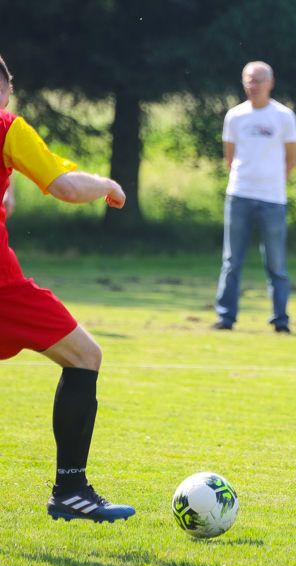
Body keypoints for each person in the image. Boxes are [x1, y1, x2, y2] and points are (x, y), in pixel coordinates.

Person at [0, 54, 135, 522]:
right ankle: (71, 490)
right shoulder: (6, 126)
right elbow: (64, 186)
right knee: (85, 356)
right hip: (1, 287)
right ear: (6, 91)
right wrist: (108, 184)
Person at [214, 61, 296, 333]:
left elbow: (291, 160)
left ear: (270, 83)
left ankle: (280, 320)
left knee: (276, 263)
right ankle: (226, 317)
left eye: (259, 80)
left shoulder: (284, 117)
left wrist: (271, 185)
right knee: (231, 261)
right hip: (239, 195)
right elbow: (229, 157)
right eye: (249, 80)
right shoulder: (235, 116)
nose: (253, 86)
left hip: (273, 200)